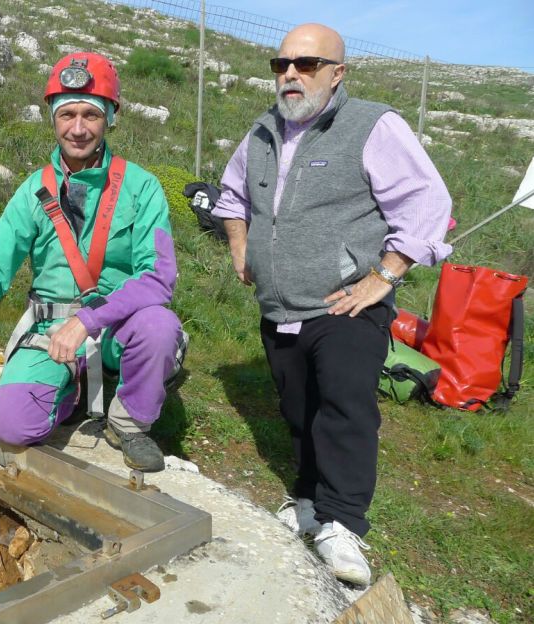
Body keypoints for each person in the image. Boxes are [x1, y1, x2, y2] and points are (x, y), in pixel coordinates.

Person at [212, 24, 452, 585]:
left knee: (344, 408)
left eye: (308, 64)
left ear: (337, 73)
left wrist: (385, 276)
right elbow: (231, 193)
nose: (291, 74)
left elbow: (428, 203)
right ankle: (308, 501)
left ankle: (342, 523)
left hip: (347, 304)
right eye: (282, 65)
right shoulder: (264, 129)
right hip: (280, 304)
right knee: (298, 409)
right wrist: (240, 243)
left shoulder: (373, 126)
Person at [0, 52, 182, 472]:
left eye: (91, 114)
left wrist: (87, 322)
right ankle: (69, 388)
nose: (77, 128)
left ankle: (128, 423)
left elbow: (158, 277)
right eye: (66, 113)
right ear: (52, 118)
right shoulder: (33, 192)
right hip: (52, 328)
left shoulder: (142, 188)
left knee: (159, 326)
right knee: (12, 427)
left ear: (111, 117)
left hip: (116, 322)